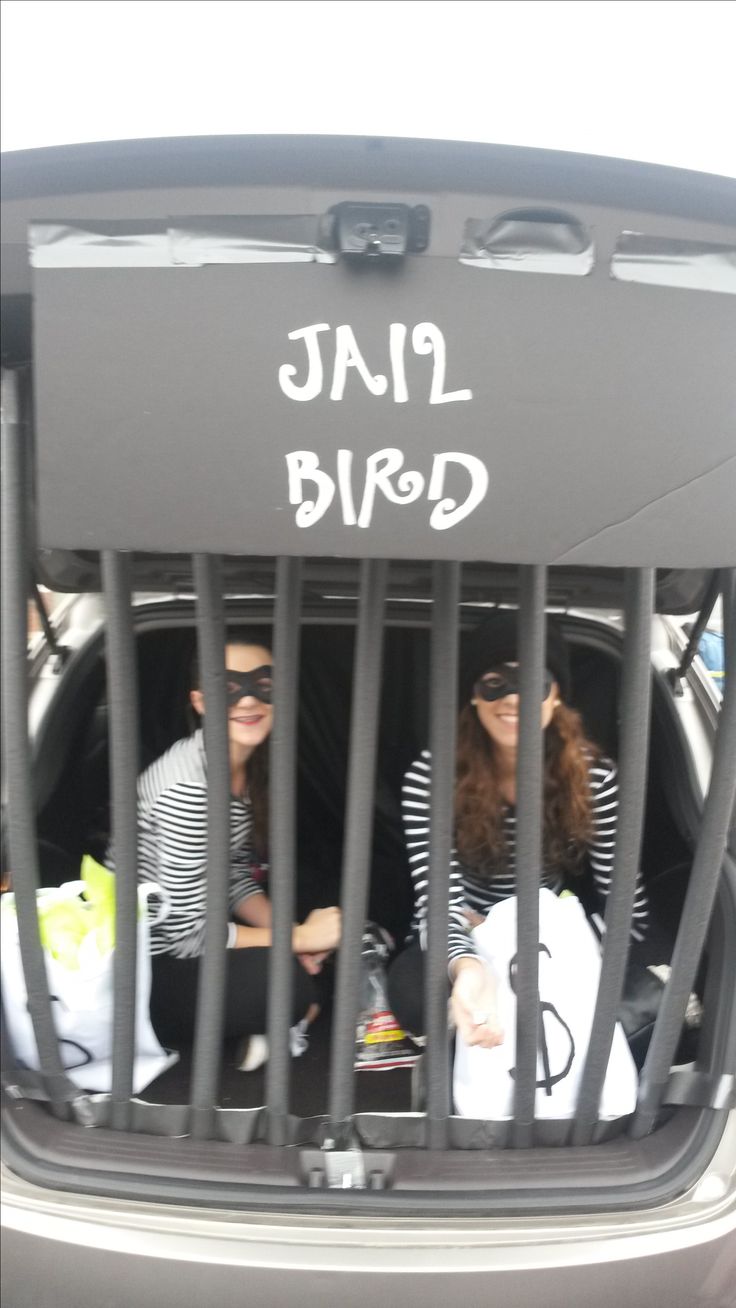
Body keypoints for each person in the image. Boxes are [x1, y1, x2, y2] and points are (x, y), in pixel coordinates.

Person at [387, 612, 648, 1051]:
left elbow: (621, 893)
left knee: (637, 988)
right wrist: (469, 969)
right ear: (473, 694)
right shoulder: (431, 777)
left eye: (533, 680)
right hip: (465, 926)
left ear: (556, 695)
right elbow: (440, 903)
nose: (512, 698)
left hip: (552, 927)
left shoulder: (592, 775)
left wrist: (585, 944)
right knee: (415, 997)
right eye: (494, 680)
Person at [120, 632, 341, 1052]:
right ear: (201, 702)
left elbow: (232, 872)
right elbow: (185, 937)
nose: (247, 701)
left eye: (263, 685)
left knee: (325, 907)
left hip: (200, 928)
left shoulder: (247, 768)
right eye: (228, 688)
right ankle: (281, 1019)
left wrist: (293, 932)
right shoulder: (189, 790)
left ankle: (271, 1022)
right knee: (287, 985)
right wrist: (297, 940)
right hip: (150, 965)